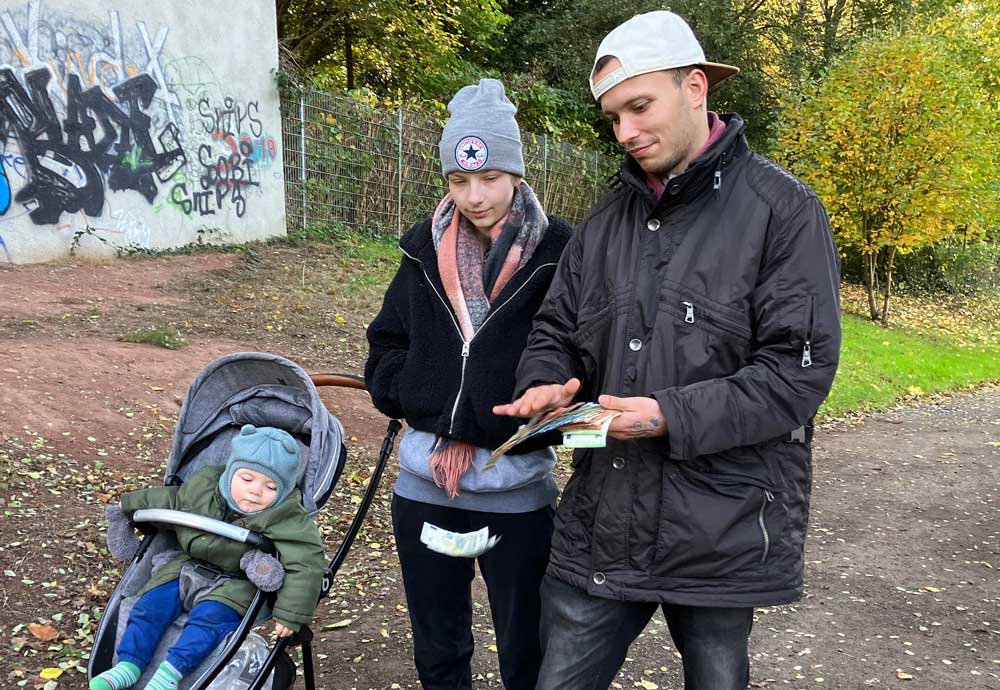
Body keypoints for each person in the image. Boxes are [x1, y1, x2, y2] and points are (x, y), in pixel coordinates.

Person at [493, 11, 841, 690]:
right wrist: (547, 380)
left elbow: (796, 374)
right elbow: (555, 330)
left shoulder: (784, 211)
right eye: (613, 117)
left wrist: (667, 415)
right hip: (602, 521)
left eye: (639, 106)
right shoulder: (601, 224)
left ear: (696, 86)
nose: (625, 132)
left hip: (722, 530)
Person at [364, 78, 572, 690]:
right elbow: (387, 343)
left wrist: (488, 420)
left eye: (489, 178)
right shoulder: (419, 250)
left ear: (516, 173)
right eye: (459, 181)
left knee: (525, 648)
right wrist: (416, 400)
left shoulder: (562, 252)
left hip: (516, 493)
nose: (475, 196)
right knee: (438, 645)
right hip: (425, 488)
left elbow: (581, 352)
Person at [92, 424, 325, 690]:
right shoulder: (205, 486)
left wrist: (291, 614)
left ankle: (169, 675)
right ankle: (128, 665)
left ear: (283, 491)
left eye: (270, 486)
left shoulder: (286, 514)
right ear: (229, 473)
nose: (255, 491)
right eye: (246, 479)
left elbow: (306, 560)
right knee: (148, 606)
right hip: (186, 566)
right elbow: (171, 500)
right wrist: (128, 505)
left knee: (209, 621)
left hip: (235, 583)